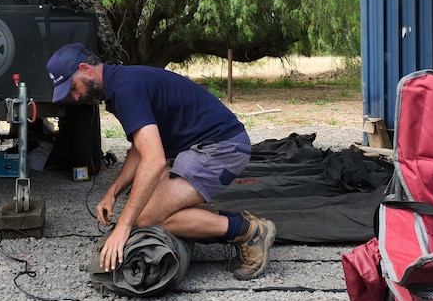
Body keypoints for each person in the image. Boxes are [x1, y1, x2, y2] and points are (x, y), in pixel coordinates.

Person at [46, 43, 276, 281]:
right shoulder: (120, 84)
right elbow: (140, 149)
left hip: (222, 149)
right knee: (145, 208)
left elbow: (154, 161)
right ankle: (235, 223)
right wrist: (112, 192)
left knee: (147, 217)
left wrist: (124, 227)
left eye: (73, 87)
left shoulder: (125, 89)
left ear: (85, 69)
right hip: (202, 148)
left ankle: (250, 231)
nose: (75, 96)